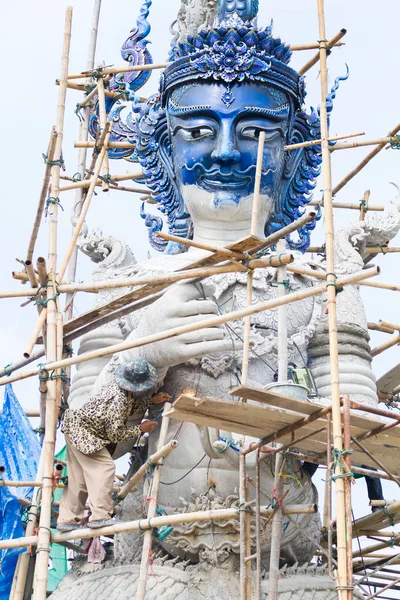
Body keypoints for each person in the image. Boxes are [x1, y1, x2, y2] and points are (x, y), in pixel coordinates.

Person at [57, 359, 171, 531]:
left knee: (79, 478)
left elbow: (126, 407)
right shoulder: (119, 400)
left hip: (74, 427)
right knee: (105, 468)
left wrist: (150, 401)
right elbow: (114, 434)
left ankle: (67, 519)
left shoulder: (118, 388)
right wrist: (140, 429)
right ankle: (100, 516)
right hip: (85, 434)